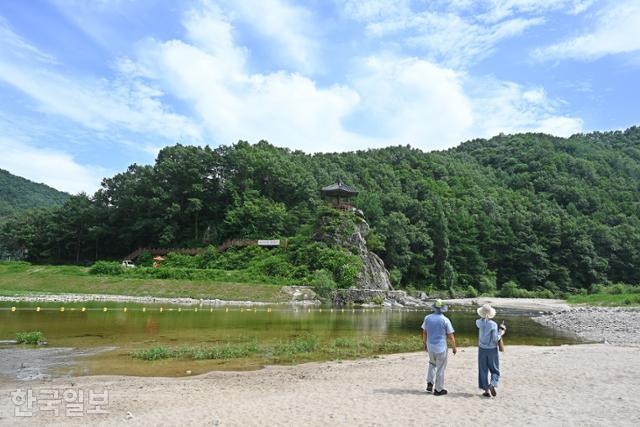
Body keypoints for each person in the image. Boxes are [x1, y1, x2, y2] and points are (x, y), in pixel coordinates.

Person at [421, 299, 457, 396]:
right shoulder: (445, 320)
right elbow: (450, 335)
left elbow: (424, 332)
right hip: (441, 347)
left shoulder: (427, 318)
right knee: (441, 368)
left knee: (432, 364)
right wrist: (454, 347)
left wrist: (424, 343)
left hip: (430, 346)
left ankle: (429, 382)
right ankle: (438, 389)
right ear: (442, 309)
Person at [476, 303, 506, 397]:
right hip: (491, 349)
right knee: (494, 369)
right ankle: (492, 384)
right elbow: (494, 339)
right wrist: (501, 333)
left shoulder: (478, 322)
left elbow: (482, 322)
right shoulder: (493, 324)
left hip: (482, 349)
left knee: (483, 369)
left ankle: (486, 390)